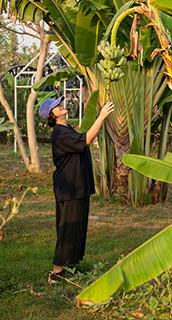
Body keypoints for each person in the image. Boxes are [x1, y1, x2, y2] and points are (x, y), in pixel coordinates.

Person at [38, 96, 115, 283]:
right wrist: (102, 116)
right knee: (68, 228)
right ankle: (56, 272)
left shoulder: (66, 129)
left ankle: (70, 266)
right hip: (69, 187)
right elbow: (86, 139)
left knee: (78, 227)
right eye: (56, 106)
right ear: (51, 115)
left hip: (78, 185)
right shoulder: (59, 133)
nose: (61, 106)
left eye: (60, 103)